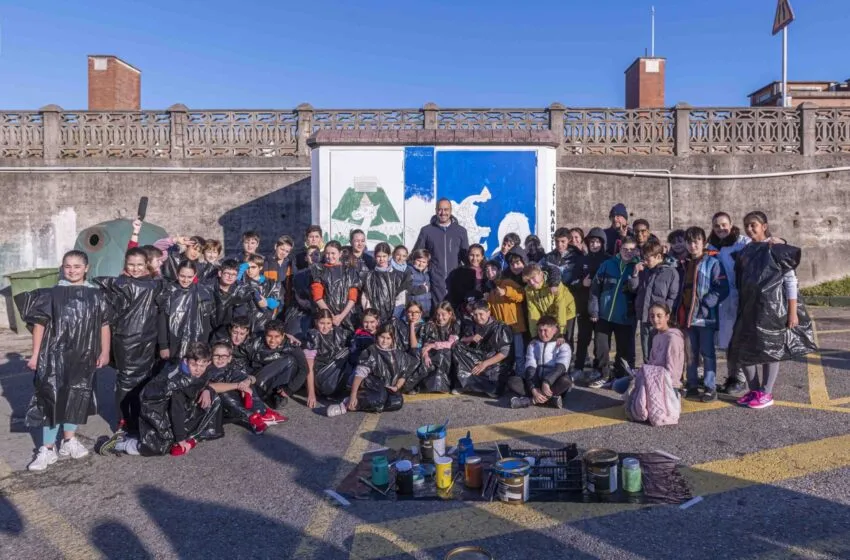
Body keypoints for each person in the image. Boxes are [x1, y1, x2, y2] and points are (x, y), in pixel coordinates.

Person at [18, 251, 111, 471]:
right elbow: (39, 325)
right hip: (53, 355)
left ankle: (69, 441)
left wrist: (105, 351)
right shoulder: (52, 294)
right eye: (68, 266)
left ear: (86, 268)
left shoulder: (97, 295)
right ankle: (47, 448)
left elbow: (104, 324)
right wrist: (36, 354)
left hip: (84, 355)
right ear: (62, 268)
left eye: (77, 266)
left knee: (77, 395)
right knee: (51, 397)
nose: (72, 270)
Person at [730, 211, 816, 410]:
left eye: (753, 225)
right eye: (746, 225)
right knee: (744, 349)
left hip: (772, 309)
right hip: (749, 308)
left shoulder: (777, 249)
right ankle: (754, 390)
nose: (749, 229)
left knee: (770, 349)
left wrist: (792, 312)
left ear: (764, 226)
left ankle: (766, 392)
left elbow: (790, 281)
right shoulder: (745, 251)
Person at [106, 342, 224, 457]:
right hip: (154, 405)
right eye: (194, 365)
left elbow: (202, 381)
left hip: (175, 403)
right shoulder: (177, 383)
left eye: (202, 366)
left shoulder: (203, 370)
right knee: (157, 446)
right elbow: (177, 410)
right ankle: (120, 444)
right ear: (186, 361)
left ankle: (133, 437)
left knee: (212, 400)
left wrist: (206, 389)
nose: (198, 369)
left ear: (208, 363)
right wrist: (180, 438)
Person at [94, 248, 162, 439]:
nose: (135, 268)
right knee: (126, 380)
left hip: (148, 340)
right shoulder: (119, 284)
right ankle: (123, 421)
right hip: (126, 340)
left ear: (146, 264)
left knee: (144, 380)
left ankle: (138, 418)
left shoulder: (155, 284)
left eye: (139, 264)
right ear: (125, 265)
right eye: (131, 264)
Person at [678, 226, 729, 402]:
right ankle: (692, 384)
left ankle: (710, 387)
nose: (692, 246)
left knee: (707, 353)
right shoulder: (683, 263)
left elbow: (722, 288)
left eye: (696, 241)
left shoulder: (713, 263)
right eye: (689, 242)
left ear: (704, 242)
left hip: (705, 317)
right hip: (686, 316)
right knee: (690, 353)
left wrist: (706, 303)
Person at [615, 303, 686, 427]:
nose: (655, 319)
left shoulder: (673, 338)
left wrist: (650, 378)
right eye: (652, 316)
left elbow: (673, 372)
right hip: (654, 377)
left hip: (667, 383)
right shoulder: (657, 336)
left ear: (667, 317)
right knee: (618, 385)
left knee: (637, 401)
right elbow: (652, 363)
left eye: (659, 316)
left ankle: (674, 398)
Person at [327, 326, 416, 417]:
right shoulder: (370, 352)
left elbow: (402, 375)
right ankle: (347, 403)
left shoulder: (399, 354)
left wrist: (396, 387)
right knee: (379, 398)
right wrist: (353, 395)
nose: (385, 341)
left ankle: (373, 405)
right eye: (382, 337)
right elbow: (358, 376)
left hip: (387, 388)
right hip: (369, 385)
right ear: (377, 336)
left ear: (393, 339)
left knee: (397, 402)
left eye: (388, 338)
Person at [708, 212, 750, 396]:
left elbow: (764, 244)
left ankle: (740, 378)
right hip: (723, 300)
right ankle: (732, 377)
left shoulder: (743, 242)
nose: (721, 229)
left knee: (740, 340)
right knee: (728, 341)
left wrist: (779, 239)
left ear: (731, 224)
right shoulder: (711, 246)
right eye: (717, 226)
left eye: (724, 224)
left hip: (742, 297)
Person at [588, 236, 639, 387]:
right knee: (601, 348)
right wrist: (594, 310)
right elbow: (595, 289)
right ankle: (604, 374)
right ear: (620, 249)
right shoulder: (607, 264)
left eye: (632, 250)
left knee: (623, 350)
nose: (628, 252)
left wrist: (635, 274)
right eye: (625, 249)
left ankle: (619, 375)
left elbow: (635, 289)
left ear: (636, 251)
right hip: (604, 315)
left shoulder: (638, 267)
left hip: (625, 316)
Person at [205, 342, 286, 434]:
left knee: (245, 379)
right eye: (216, 356)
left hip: (236, 400)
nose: (220, 359)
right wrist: (239, 386)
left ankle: (262, 412)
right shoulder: (209, 370)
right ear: (211, 357)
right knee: (222, 393)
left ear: (229, 358)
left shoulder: (233, 366)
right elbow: (211, 387)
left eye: (224, 356)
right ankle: (253, 417)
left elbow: (253, 378)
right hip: (220, 407)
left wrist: (246, 382)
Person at [627, 239, 680, 363]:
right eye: (643, 258)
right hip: (645, 317)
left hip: (660, 320)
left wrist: (664, 315)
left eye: (648, 259)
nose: (645, 261)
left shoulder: (671, 272)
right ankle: (649, 371)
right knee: (646, 351)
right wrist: (635, 274)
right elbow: (633, 289)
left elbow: (673, 297)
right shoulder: (644, 271)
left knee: (661, 351)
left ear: (659, 257)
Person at [413, 198, 470, 309]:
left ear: (451, 210)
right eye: (440, 209)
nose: (443, 213)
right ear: (436, 210)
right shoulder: (427, 230)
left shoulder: (461, 231)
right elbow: (417, 254)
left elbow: (466, 257)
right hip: (435, 280)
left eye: (446, 209)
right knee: (438, 311)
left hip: (455, 280)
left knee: (454, 311)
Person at [508, 315, 573, 410]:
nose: (542, 334)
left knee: (566, 380)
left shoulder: (563, 346)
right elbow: (530, 367)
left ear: (554, 330)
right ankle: (550, 400)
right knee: (512, 381)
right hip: (537, 382)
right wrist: (533, 388)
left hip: (553, 384)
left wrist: (547, 382)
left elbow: (560, 368)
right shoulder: (533, 344)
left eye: (545, 330)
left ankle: (531, 401)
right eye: (540, 330)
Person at [452, 299, 513, 397]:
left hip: (494, 362)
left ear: (488, 313)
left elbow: (504, 353)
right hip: (478, 358)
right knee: (456, 346)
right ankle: (465, 384)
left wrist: (484, 364)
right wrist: (470, 338)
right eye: (475, 315)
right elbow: (460, 341)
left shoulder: (500, 327)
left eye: (481, 314)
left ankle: (486, 386)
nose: (478, 318)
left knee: (494, 389)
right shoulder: (472, 325)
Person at [157, 261, 215, 362]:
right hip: (172, 343)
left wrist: (203, 345)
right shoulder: (168, 291)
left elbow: (206, 323)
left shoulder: (203, 292)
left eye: (189, 277)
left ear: (195, 275)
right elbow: (162, 321)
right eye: (182, 276)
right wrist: (163, 346)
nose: (185, 280)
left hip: (195, 342)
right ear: (177, 274)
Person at [570, 228, 608, 381]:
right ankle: (578, 367)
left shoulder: (608, 260)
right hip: (584, 306)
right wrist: (582, 283)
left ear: (603, 243)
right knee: (583, 339)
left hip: (603, 308)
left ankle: (598, 369)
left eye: (597, 242)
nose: (594, 244)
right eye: (592, 242)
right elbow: (572, 282)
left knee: (601, 341)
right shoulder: (582, 260)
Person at [247, 320, 308, 410]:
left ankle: (277, 394)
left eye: (277, 336)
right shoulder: (256, 341)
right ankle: (259, 392)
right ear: (264, 335)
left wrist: (290, 389)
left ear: (283, 336)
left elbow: (304, 369)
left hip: (278, 382)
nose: (272, 340)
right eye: (269, 336)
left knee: (290, 360)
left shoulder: (291, 345)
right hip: (258, 378)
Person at [483, 259, 527, 375]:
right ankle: (508, 376)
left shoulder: (507, 282)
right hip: (502, 329)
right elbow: (491, 311)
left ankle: (521, 376)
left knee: (519, 354)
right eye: (487, 270)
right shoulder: (490, 289)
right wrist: (486, 301)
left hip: (515, 325)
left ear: (499, 270)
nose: (490, 272)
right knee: (506, 355)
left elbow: (522, 295)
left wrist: (506, 292)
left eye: (493, 269)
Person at [303, 309, 353, 407]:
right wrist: (311, 393)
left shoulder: (340, 333)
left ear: (332, 322)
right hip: (321, 377)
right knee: (346, 352)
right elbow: (309, 367)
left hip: (334, 376)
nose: (325, 327)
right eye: (322, 323)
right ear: (316, 322)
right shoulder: (313, 336)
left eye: (328, 323)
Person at [409, 301, 459, 394]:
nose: (440, 317)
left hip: (447, 356)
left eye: (443, 314)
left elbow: (451, 343)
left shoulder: (455, 324)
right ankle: (416, 385)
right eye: (438, 314)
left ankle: (447, 384)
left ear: (450, 314)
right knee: (421, 356)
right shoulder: (431, 324)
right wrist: (426, 355)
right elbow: (426, 343)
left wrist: (433, 345)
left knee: (445, 352)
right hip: (432, 354)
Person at [311, 241, 360, 332]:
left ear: (340, 254)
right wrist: (331, 316)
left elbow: (353, 297)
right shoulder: (319, 270)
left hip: (347, 316)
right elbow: (317, 297)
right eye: (327, 253)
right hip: (326, 318)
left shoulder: (350, 271)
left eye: (333, 253)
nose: (330, 256)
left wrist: (341, 316)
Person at [523, 263, 576, 343]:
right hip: (549, 313)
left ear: (541, 274)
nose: (532, 282)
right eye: (528, 280)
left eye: (533, 278)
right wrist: (534, 335)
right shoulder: (528, 290)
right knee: (549, 339)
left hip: (566, 311)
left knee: (565, 339)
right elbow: (533, 312)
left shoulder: (554, 285)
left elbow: (560, 308)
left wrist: (561, 332)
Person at [361, 242, 410, 324]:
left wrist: (395, 316)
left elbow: (401, 298)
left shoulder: (398, 276)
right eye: (378, 256)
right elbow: (365, 298)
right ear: (374, 257)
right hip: (374, 320)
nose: (381, 259)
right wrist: (371, 316)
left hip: (393, 318)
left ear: (389, 256)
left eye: (384, 256)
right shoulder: (368, 276)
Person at [208, 259, 253, 339]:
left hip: (228, 332)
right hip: (208, 329)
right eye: (227, 273)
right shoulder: (208, 288)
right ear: (220, 273)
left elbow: (239, 317)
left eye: (234, 274)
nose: (230, 277)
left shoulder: (240, 292)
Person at [240, 253, 282, 333]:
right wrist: (242, 269)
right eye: (247, 267)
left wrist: (267, 302)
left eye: (253, 267)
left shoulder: (272, 283)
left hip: (264, 323)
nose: (249, 270)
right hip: (244, 324)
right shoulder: (242, 283)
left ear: (260, 267)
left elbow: (277, 301)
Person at [446, 243, 486, 316]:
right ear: (468, 256)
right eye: (472, 255)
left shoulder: (487, 271)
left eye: (477, 255)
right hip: (465, 310)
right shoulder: (459, 272)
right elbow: (455, 294)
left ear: (482, 257)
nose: (474, 258)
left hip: (482, 310)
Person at [407, 249, 432, 318]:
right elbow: (406, 288)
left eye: (424, 262)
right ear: (413, 260)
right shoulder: (409, 271)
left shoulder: (427, 274)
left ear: (427, 263)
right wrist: (421, 289)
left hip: (427, 309)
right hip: (414, 310)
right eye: (418, 261)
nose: (421, 264)